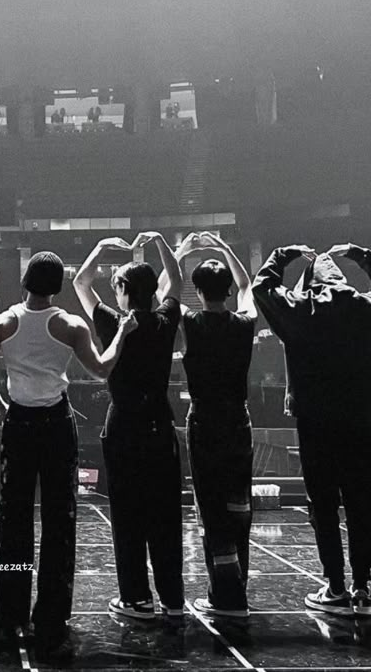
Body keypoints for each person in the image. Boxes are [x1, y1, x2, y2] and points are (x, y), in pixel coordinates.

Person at [0, 250, 132, 656]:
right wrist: (123, 332)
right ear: (58, 287)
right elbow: (102, 369)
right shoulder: (70, 324)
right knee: (60, 518)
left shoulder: (3, 321)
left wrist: (1, 406)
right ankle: (53, 611)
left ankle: (11, 611)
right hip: (56, 425)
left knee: (14, 519)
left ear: (25, 281)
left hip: (19, 423)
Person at [253, 242, 371, 617]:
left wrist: (284, 254)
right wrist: (360, 254)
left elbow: (261, 287)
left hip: (315, 420)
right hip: (360, 418)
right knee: (361, 502)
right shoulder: (363, 307)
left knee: (322, 504)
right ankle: (364, 588)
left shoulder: (299, 309)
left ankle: (335, 586)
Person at [73, 230, 184, 620]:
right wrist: (159, 243)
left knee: (128, 512)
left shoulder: (111, 322)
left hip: (123, 426)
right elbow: (179, 280)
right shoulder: (164, 321)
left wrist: (101, 248)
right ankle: (172, 598)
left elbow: (80, 283)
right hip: (159, 423)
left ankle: (136, 598)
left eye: (117, 284)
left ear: (122, 289)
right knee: (167, 513)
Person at [172, 231, 257, 619]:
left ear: (198, 290)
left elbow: (162, 294)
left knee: (211, 508)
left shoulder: (189, 323)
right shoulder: (244, 324)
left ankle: (225, 596)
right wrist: (225, 248)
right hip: (238, 419)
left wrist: (181, 251)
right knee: (239, 504)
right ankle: (238, 584)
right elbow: (247, 284)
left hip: (205, 420)